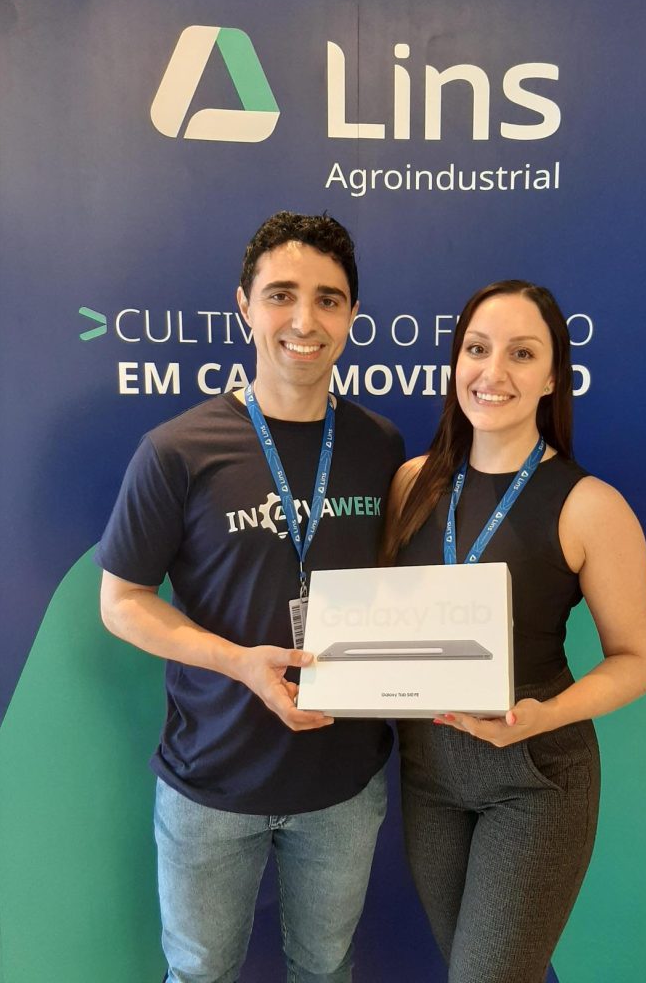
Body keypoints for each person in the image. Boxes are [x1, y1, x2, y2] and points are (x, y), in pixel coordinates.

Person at [97, 211, 404, 983]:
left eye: (328, 300)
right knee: (199, 974)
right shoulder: (178, 450)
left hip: (342, 781)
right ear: (244, 306)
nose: (304, 321)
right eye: (281, 295)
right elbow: (122, 600)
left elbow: (401, 589)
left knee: (326, 969)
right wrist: (238, 663)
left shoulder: (380, 446)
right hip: (212, 777)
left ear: (352, 316)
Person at [383, 280, 646, 983]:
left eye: (522, 353)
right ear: (456, 362)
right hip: (427, 774)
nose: (494, 371)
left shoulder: (590, 505)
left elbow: (637, 658)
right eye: (477, 349)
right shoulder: (412, 484)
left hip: (534, 775)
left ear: (553, 376)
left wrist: (545, 715)